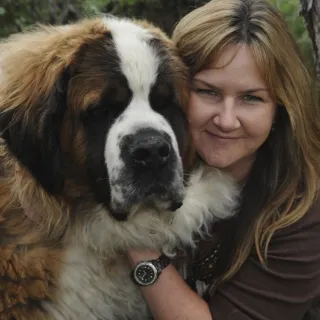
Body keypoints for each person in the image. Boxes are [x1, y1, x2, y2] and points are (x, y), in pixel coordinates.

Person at [127, 0, 320, 319]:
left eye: (251, 98)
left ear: (280, 108)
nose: (226, 120)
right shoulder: (151, 163)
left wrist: (133, 240)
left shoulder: (302, 216)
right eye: (208, 92)